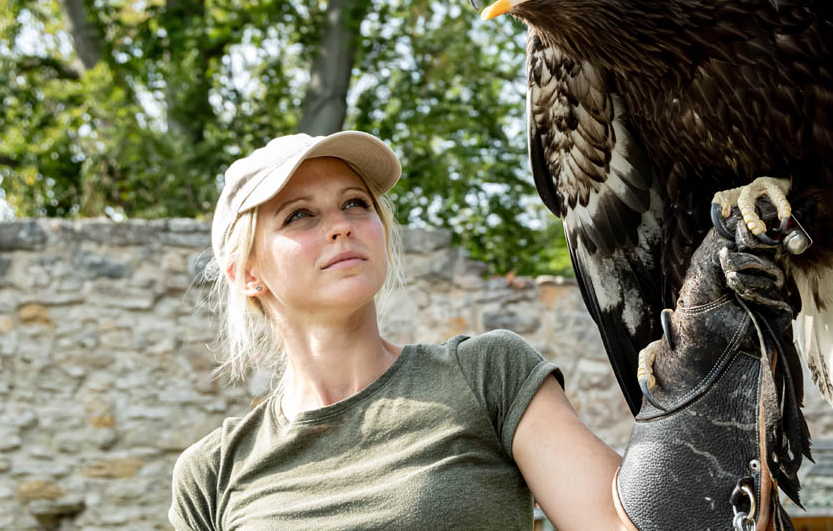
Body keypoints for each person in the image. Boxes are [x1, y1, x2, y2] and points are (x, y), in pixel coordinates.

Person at [169, 131, 626, 531]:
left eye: (355, 203)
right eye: (300, 215)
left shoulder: (487, 375)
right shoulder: (213, 474)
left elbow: (616, 524)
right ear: (247, 274)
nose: (341, 227)